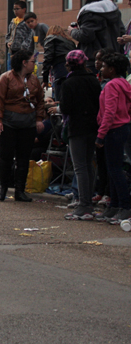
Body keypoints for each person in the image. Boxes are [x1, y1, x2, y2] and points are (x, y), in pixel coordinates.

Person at [0, 50, 45, 202]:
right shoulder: (6, 78)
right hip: (8, 122)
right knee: (6, 156)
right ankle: (3, 187)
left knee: (23, 158)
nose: (33, 64)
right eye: (32, 61)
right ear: (24, 63)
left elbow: (40, 101)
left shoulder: (34, 80)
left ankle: (20, 190)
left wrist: (39, 118)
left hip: (28, 122)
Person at [61, 50, 102, 221]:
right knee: (88, 164)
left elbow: (65, 108)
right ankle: (88, 204)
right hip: (93, 126)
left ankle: (84, 204)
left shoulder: (69, 82)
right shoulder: (93, 80)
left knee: (80, 167)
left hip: (76, 127)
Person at [93, 53, 131, 224]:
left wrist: (101, 135)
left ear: (112, 69)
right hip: (123, 127)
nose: (101, 69)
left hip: (113, 129)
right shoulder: (125, 84)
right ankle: (114, 206)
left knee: (115, 170)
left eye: (104, 67)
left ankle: (124, 206)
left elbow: (109, 111)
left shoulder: (110, 86)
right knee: (114, 169)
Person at [70, 0, 124, 73]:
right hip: (115, 58)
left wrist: (73, 31)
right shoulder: (113, 9)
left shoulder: (89, 12)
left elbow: (86, 35)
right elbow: (122, 31)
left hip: (95, 61)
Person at [42, 25, 77, 102]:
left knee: (60, 92)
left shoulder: (50, 38)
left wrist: (45, 78)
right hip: (72, 69)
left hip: (59, 67)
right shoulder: (70, 41)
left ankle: (59, 110)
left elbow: (47, 58)